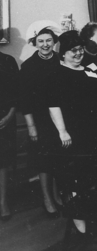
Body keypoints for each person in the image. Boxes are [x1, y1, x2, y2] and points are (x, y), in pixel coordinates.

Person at [47, 30, 97, 233]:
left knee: (92, 174)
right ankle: (79, 219)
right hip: (72, 133)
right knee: (75, 176)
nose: (78, 54)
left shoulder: (88, 71)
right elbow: (53, 106)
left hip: (93, 131)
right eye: (73, 51)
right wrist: (62, 131)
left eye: (80, 50)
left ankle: (94, 215)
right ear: (63, 53)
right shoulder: (56, 74)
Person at [20, 21, 62, 217]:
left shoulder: (61, 61)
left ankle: (58, 195)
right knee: (45, 160)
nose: (45, 44)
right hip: (41, 120)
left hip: (62, 119)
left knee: (61, 158)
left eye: (48, 41)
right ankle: (47, 199)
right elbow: (25, 100)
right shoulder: (29, 66)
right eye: (41, 41)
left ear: (54, 42)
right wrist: (31, 126)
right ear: (35, 43)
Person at [0, 50, 19, 221]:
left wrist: (9, 115)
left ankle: (2, 203)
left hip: (4, 119)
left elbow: (16, 91)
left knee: (2, 162)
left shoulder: (8, 60)